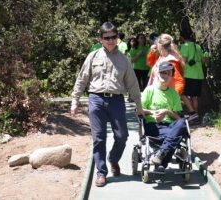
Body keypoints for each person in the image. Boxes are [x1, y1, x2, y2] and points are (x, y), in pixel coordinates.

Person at [70, 21, 144, 187]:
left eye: (113, 37)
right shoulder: (93, 56)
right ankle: (101, 172)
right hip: (96, 99)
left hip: (117, 100)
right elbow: (82, 79)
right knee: (99, 138)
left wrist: (139, 105)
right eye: (107, 38)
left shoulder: (124, 59)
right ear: (101, 39)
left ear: (117, 38)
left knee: (122, 135)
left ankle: (113, 159)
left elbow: (132, 84)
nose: (111, 40)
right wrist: (75, 100)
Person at [141, 61, 188, 170]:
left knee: (182, 123)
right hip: (153, 126)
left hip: (170, 126)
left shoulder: (174, 94)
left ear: (171, 76)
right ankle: (162, 163)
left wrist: (167, 112)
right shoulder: (149, 90)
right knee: (176, 136)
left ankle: (162, 154)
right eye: (163, 73)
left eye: (168, 73)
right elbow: (139, 110)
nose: (165, 76)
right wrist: (153, 113)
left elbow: (178, 118)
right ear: (157, 73)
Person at [179, 32, 205, 120]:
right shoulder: (197, 46)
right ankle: (195, 115)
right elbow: (203, 61)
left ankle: (192, 113)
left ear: (182, 37)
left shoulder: (185, 46)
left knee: (182, 94)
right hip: (199, 74)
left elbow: (183, 60)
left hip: (188, 74)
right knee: (194, 96)